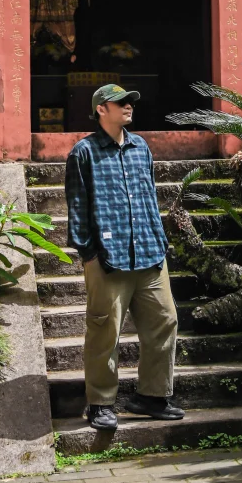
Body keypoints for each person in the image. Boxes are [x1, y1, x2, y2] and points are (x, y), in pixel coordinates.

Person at [64, 83, 184, 430]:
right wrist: (88, 252)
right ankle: (100, 403)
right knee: (105, 331)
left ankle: (152, 396)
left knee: (165, 321)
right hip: (107, 257)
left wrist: (159, 240)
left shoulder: (139, 147)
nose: (129, 106)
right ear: (101, 109)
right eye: (121, 103)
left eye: (131, 101)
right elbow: (77, 206)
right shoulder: (83, 153)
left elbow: (149, 196)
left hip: (149, 253)